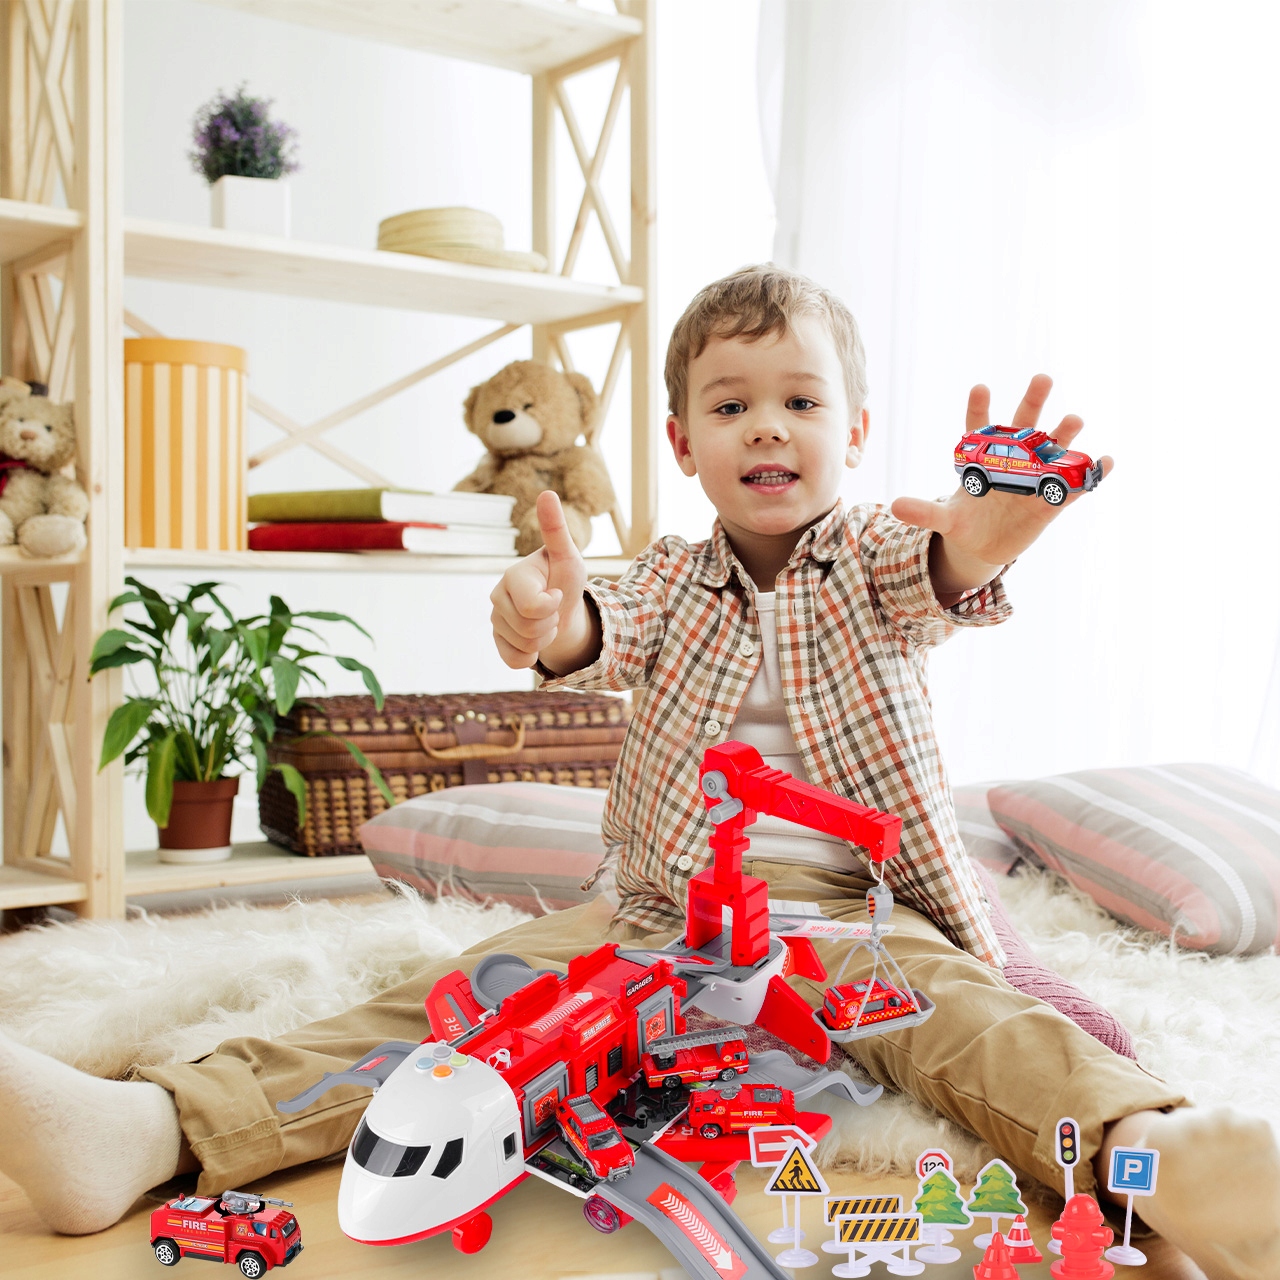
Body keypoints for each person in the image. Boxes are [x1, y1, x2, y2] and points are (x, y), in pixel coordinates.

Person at [0, 267, 1276, 1280]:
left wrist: (996, 525)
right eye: (729, 404)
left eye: (798, 400)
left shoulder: (883, 556)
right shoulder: (668, 574)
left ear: (854, 428)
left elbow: (949, 571)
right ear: (680, 441)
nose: (765, 425)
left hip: (842, 920)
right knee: (444, 1005)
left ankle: (1144, 1155)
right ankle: (156, 1131)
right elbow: (589, 626)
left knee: (978, 1025)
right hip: (656, 914)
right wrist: (540, 614)